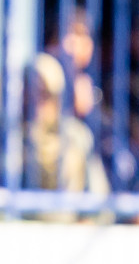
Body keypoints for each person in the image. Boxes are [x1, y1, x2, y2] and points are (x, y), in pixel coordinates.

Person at [23, 52, 110, 220]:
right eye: (30, 92)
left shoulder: (75, 135)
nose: (36, 102)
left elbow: (100, 204)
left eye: (45, 93)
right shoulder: (10, 138)